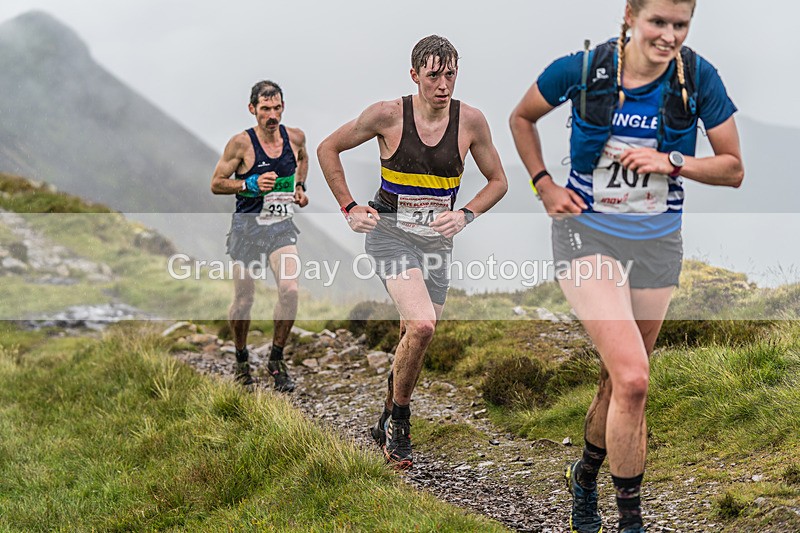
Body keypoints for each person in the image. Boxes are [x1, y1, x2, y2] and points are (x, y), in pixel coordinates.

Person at [509, 1, 743, 531]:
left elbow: (733, 168)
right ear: (631, 16)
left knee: (618, 382)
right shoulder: (585, 67)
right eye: (658, 22)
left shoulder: (697, 77)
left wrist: (673, 161)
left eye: (680, 25)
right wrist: (543, 183)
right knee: (635, 378)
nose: (669, 35)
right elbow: (521, 117)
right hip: (586, 236)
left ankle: (585, 476)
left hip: (658, 246)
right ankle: (630, 523)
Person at [317, 35, 508, 469]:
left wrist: (465, 215)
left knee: (411, 334)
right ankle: (401, 422)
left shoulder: (471, 122)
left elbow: (498, 181)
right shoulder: (387, 116)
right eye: (434, 75)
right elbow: (328, 148)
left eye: (451, 74)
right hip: (390, 234)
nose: (443, 85)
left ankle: (384, 415)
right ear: (415, 75)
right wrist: (349, 206)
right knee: (423, 325)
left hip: (438, 243)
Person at [211, 80, 309, 392]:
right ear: (253, 109)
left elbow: (303, 158)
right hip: (247, 228)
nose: (272, 115)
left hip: (280, 227)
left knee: (290, 290)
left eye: (277, 108)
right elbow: (216, 183)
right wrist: (249, 184)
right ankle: (241, 359)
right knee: (244, 300)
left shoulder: (294, 137)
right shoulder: (240, 144)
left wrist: (299, 188)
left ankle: (276, 359)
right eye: (265, 109)